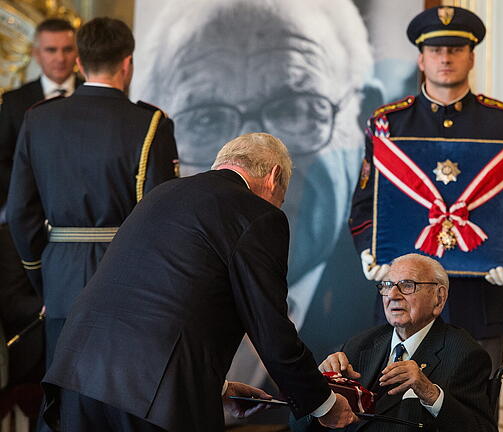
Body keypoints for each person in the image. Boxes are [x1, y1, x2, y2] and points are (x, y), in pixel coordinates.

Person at [132, 0, 379, 388]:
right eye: (207, 117)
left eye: (296, 107)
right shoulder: (153, 277)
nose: (252, 162)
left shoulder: (383, 299)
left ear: (364, 115)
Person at [41, 133, 358, 432]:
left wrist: (217, 388)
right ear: (274, 177)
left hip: (77, 376)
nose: (278, 205)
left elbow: (154, 302)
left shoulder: (162, 194)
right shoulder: (258, 214)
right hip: (149, 399)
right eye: (281, 198)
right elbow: (271, 330)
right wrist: (322, 404)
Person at [348, 6, 503, 372]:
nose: (446, 58)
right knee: (398, 413)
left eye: (455, 49)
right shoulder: (388, 124)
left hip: (481, 295)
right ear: (421, 59)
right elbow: (363, 208)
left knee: (477, 411)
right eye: (436, 50)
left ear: (471, 57)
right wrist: (369, 251)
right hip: (403, 295)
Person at [5, 17, 178, 369]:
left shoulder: (38, 119)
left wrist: (45, 276)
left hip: (60, 276)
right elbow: (162, 222)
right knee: (120, 393)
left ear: (79, 61)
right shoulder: (151, 123)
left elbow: (21, 214)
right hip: (128, 278)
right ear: (128, 62)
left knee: (63, 396)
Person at [299, 253, 495, 431]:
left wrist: (430, 393)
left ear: (439, 298)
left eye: (407, 285)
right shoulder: (359, 345)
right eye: (387, 285)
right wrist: (319, 389)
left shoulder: (465, 355)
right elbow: (299, 426)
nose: (392, 295)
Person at [0, 17, 82, 391]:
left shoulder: (94, 95)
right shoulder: (14, 102)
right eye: (51, 50)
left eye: (67, 49)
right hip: (26, 225)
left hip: (82, 228)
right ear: (36, 53)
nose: (60, 59)